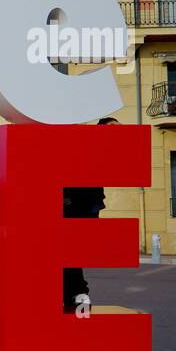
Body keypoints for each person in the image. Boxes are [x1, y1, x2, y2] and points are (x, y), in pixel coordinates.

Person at [63, 117, 119, 311]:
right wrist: (67, 197)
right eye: (113, 128)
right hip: (75, 210)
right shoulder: (85, 149)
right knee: (69, 262)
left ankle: (79, 301)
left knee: (71, 261)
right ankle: (78, 301)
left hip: (83, 209)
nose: (118, 133)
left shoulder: (98, 153)